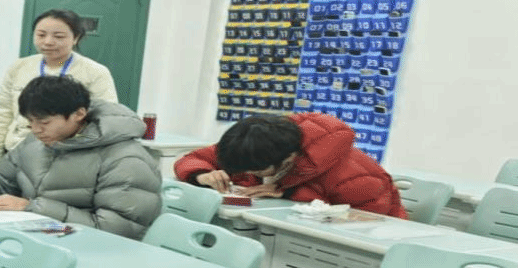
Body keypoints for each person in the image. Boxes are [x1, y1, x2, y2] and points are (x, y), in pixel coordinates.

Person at [0, 76, 160, 240]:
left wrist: (31, 206)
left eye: (44, 122)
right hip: (38, 240)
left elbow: (117, 229)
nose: (36, 130)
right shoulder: (37, 142)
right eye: (30, 122)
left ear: (79, 114)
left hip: (89, 251)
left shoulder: (125, 160)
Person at [174, 112, 407, 217]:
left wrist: (291, 193)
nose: (246, 174)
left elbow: (369, 223)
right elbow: (190, 159)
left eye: (255, 171)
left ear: (288, 159)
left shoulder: (354, 174)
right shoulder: (250, 144)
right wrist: (200, 174)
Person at [0, 9, 118, 167]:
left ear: (76, 38)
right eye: (41, 35)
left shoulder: (95, 72)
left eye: (58, 36)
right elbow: (2, 115)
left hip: (64, 158)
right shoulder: (19, 67)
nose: (48, 42)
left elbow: (104, 121)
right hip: (15, 153)